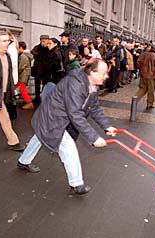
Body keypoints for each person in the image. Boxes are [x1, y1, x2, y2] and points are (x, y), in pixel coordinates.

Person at [17, 59, 116, 195]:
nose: (107, 76)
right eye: (104, 73)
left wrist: (107, 126)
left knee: (39, 136)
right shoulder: (76, 84)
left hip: (56, 117)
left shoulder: (90, 84)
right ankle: (77, 184)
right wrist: (94, 138)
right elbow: (75, 113)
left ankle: (23, 161)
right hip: (53, 118)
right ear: (92, 72)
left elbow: (94, 108)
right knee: (67, 147)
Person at [134, 43, 155, 109]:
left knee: (142, 89)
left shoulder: (143, 54)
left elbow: (138, 63)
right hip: (152, 76)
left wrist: (141, 69)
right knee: (151, 90)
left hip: (143, 74)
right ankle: (150, 103)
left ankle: (135, 100)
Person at [31, 34, 49, 106]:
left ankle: (44, 98)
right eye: (42, 41)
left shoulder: (48, 48)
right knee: (37, 85)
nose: (43, 42)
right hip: (38, 69)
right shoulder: (37, 47)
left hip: (45, 70)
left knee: (45, 84)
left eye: (45, 41)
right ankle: (37, 98)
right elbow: (33, 52)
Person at [16, 41, 34, 109]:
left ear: (20, 48)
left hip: (23, 75)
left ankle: (29, 103)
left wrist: (15, 72)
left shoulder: (23, 56)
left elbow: (21, 67)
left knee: (22, 89)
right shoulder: (25, 55)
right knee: (14, 87)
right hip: (24, 75)